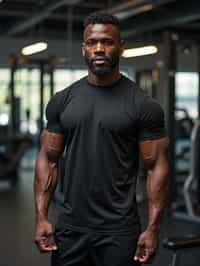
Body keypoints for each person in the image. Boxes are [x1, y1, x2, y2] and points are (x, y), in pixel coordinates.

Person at [34, 12, 169, 266]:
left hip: (119, 230)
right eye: (92, 43)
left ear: (121, 47)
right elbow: (48, 159)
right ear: (83, 48)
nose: (99, 49)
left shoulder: (143, 105)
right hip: (69, 229)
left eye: (107, 42)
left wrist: (153, 229)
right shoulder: (62, 101)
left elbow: (157, 168)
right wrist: (41, 216)